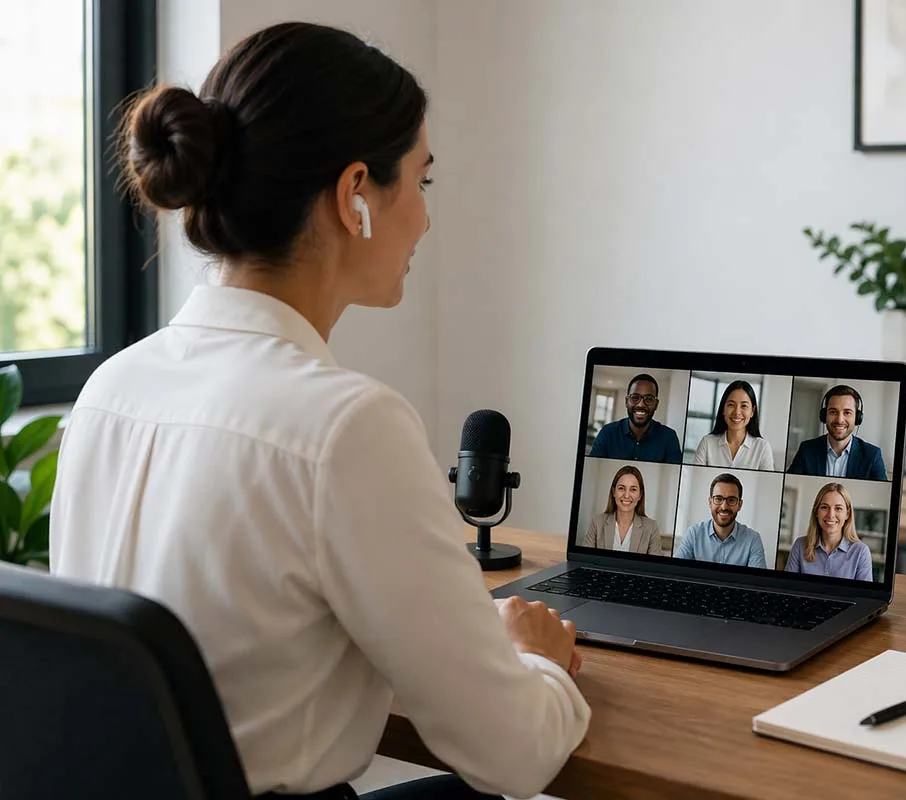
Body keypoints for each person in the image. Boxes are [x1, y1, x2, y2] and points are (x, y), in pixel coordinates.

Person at [48, 22, 588, 800]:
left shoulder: (111, 389)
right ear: (355, 195)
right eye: (422, 183)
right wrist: (532, 653)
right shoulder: (345, 426)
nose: (427, 221)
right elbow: (513, 753)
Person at [786, 384, 888, 481]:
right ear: (824, 415)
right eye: (833, 412)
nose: (839, 420)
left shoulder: (872, 455)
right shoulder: (807, 449)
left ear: (857, 418)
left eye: (847, 413)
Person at [674, 473, 767, 569]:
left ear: (740, 505)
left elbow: (756, 582)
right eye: (718, 499)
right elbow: (676, 572)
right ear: (710, 502)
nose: (724, 507)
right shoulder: (693, 534)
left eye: (731, 500)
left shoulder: (753, 539)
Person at [784, 482, 874, 581]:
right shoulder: (800, 545)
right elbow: (788, 587)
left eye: (838, 508)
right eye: (824, 507)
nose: (831, 515)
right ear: (816, 511)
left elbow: (862, 595)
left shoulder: (861, 552)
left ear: (847, 514)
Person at [589, 374, 683, 463]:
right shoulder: (608, 433)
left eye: (649, 399)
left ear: (656, 404)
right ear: (626, 401)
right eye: (635, 398)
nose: (641, 404)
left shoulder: (669, 437)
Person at [579, 465, 664, 555]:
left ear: (640, 495)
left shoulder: (651, 528)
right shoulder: (597, 522)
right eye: (621, 488)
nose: (626, 495)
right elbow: (586, 560)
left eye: (633, 489)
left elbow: (652, 567)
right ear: (613, 492)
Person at [693, 380, 774, 470]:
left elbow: (766, 483)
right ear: (723, 409)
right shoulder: (707, 443)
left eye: (744, 406)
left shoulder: (762, 447)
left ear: (752, 411)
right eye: (731, 405)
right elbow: (696, 479)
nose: (737, 412)